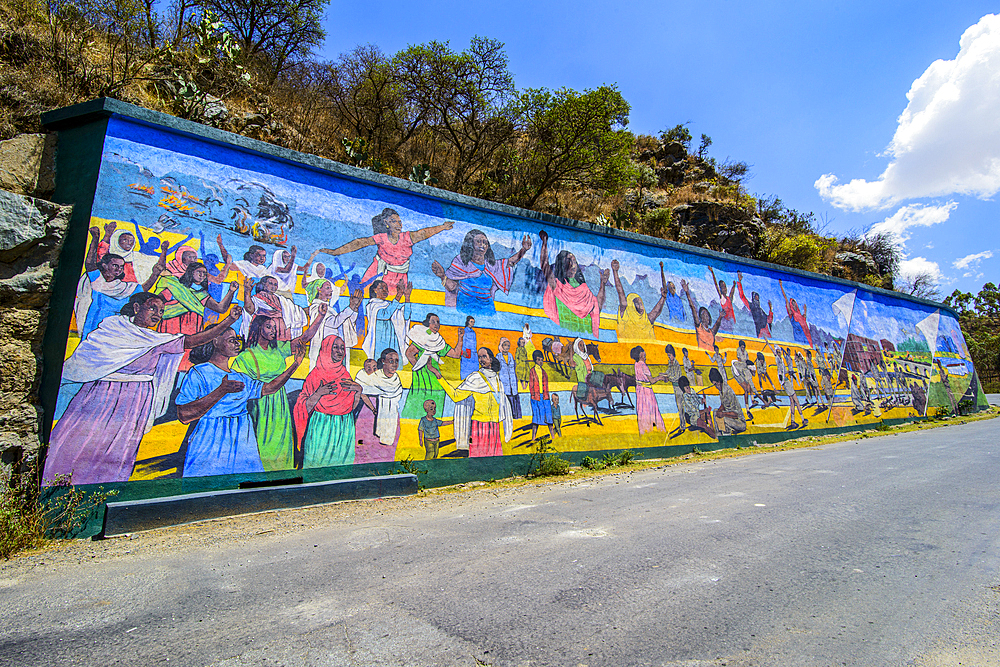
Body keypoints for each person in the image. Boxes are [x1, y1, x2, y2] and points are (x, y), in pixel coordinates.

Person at [42, 295, 240, 485]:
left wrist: (228, 321)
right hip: (101, 395)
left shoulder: (156, 340)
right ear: (137, 308)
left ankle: (104, 488)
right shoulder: (113, 327)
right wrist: (228, 320)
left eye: (161, 311)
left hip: (135, 401)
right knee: (81, 439)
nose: (157, 314)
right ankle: (60, 483)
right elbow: (90, 356)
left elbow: (193, 341)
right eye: (152, 308)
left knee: (119, 447)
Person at [177, 326, 305, 477]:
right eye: (232, 340)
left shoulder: (240, 377)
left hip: (243, 439)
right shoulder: (198, 372)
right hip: (210, 440)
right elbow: (184, 415)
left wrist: (295, 365)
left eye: (238, 340)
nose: (237, 344)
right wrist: (221, 391)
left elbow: (269, 388)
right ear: (216, 341)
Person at [231, 307, 325, 471]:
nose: (273, 330)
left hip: (279, 405)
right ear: (258, 328)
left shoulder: (279, 349)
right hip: (259, 406)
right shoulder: (246, 356)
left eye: (274, 327)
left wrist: (320, 316)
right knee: (261, 443)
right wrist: (295, 364)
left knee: (281, 441)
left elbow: (304, 338)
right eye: (269, 327)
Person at [319, 208, 454, 297]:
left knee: (394, 303)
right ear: (386, 223)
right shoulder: (382, 238)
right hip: (378, 272)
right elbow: (360, 243)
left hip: (399, 277)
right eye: (393, 221)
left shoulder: (406, 238)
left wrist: (442, 227)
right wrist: (335, 252)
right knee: (365, 298)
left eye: (400, 222)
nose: (398, 224)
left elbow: (423, 233)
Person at [293, 336, 365, 468]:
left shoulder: (345, 374)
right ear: (326, 349)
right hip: (322, 427)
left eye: (342, 348)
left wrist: (358, 392)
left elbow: (350, 407)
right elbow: (304, 407)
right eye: (335, 347)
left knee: (341, 467)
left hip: (344, 427)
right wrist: (319, 393)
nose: (340, 351)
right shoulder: (315, 375)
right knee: (318, 465)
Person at [432, 347, 513, 457]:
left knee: (494, 459)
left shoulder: (497, 379)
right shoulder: (475, 377)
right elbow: (456, 396)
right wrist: (439, 376)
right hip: (479, 426)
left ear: (491, 359)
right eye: (479, 357)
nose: (481, 360)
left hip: (494, 426)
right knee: (478, 457)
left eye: (484, 356)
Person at [75, 242, 161, 341]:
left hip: (116, 328)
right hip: (95, 324)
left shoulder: (124, 288)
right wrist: (95, 239)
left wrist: (155, 274)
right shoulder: (98, 282)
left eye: (121, 266)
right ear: (105, 265)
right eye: (115, 265)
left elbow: (143, 289)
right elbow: (90, 264)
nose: (119, 269)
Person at [432, 230, 531, 312]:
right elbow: (452, 287)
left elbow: (510, 262)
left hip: (487, 310)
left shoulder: (491, 266)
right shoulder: (460, 262)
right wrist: (442, 276)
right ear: (470, 244)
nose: (482, 245)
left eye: (485, 242)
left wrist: (524, 250)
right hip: (465, 310)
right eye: (478, 241)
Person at [539, 230, 609, 337]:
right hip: (565, 334)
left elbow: (596, 306)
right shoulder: (557, 285)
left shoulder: (583, 288)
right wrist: (544, 243)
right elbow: (545, 266)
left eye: (574, 261)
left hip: (586, 336)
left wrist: (603, 284)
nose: (572, 265)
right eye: (569, 261)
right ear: (562, 264)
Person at [400, 313, 464, 419]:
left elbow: (456, 354)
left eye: (438, 322)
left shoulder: (438, 341)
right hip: (421, 376)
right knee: (418, 398)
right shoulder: (422, 338)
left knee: (437, 397)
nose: (436, 324)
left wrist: (460, 338)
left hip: (435, 376)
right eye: (433, 322)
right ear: (427, 323)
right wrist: (419, 367)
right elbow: (409, 353)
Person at [154, 262, 239, 335]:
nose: (202, 275)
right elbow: (157, 302)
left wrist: (231, 291)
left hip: (193, 327)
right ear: (191, 272)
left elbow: (220, 308)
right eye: (199, 272)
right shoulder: (176, 287)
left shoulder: (202, 294)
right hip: (172, 324)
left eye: (204, 273)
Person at [354, 348, 405, 463]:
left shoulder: (396, 380)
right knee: (367, 449)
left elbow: (397, 398)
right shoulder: (373, 378)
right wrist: (372, 408)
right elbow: (362, 390)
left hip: (391, 419)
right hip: (371, 417)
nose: (394, 364)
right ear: (383, 361)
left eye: (396, 361)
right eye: (391, 361)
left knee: (387, 453)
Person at [305, 279, 362, 372]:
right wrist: (350, 307)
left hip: (335, 349)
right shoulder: (316, 307)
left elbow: (345, 323)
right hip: (325, 350)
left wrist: (354, 309)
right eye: (328, 288)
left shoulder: (330, 309)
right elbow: (333, 323)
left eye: (331, 288)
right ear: (318, 289)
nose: (331, 291)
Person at [610, 259, 669, 342]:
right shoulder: (626, 315)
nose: (640, 306)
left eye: (641, 303)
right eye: (637, 304)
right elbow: (620, 293)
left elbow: (657, 311)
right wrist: (615, 272)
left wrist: (663, 297)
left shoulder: (646, 320)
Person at [242, 275, 307, 341]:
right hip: (266, 331)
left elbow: (296, 311)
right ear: (263, 284)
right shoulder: (257, 298)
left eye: (275, 284)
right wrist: (247, 292)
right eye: (270, 283)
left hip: (282, 331)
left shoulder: (282, 299)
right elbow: (250, 310)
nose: (273, 286)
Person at [361, 279, 411, 365]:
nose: (385, 290)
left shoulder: (389, 305)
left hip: (392, 339)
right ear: (375, 290)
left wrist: (407, 297)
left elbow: (406, 316)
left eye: (386, 288)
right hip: (380, 340)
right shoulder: (372, 305)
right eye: (381, 288)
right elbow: (385, 314)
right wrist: (398, 295)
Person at [632, 346, 666, 434]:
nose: (645, 357)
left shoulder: (636, 365)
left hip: (640, 390)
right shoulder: (643, 365)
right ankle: (657, 429)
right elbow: (652, 380)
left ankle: (644, 430)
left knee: (642, 410)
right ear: (640, 355)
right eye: (644, 355)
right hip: (646, 391)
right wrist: (661, 377)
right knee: (651, 409)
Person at [682, 279, 723, 351]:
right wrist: (687, 292)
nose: (705, 317)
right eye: (703, 315)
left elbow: (717, 324)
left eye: (707, 315)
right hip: (702, 356)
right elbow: (693, 308)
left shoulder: (711, 332)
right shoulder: (699, 327)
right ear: (700, 318)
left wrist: (720, 316)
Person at [710, 367, 747, 436]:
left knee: (722, 419)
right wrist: (719, 411)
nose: (715, 386)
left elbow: (735, 414)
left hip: (739, 422)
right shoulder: (721, 391)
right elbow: (724, 405)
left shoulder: (728, 391)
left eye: (715, 384)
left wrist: (723, 414)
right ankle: (719, 436)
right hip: (730, 418)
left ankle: (726, 438)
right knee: (715, 412)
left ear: (719, 381)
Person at [736, 271, 773, 338]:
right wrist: (739, 282)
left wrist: (770, 309)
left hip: (767, 332)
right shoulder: (752, 307)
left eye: (758, 299)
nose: (757, 301)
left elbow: (769, 320)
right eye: (756, 299)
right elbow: (742, 296)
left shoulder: (761, 310)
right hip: (760, 333)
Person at [779, 279, 813, 347]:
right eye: (792, 304)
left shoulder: (800, 315)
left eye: (794, 304)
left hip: (805, 335)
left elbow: (804, 320)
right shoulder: (792, 314)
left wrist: (805, 311)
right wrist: (781, 286)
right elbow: (786, 299)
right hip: (798, 336)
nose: (794, 305)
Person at [528, 350, 553, 440]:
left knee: (549, 417)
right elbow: (531, 386)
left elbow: (546, 385)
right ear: (535, 360)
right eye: (539, 360)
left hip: (545, 397)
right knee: (536, 418)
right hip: (536, 398)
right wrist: (534, 396)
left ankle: (553, 436)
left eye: (541, 360)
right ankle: (533, 437)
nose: (540, 362)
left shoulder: (544, 372)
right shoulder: (532, 371)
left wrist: (547, 396)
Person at [497, 337, 522, 420]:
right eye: (505, 345)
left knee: (514, 398)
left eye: (508, 345)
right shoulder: (498, 356)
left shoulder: (510, 355)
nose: (507, 347)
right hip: (504, 381)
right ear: (501, 346)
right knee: (506, 399)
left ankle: (515, 416)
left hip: (512, 381)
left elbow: (513, 367)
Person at [708, 266, 737, 332]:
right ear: (720, 289)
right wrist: (712, 272)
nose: (725, 289)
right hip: (725, 323)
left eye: (725, 287)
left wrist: (734, 286)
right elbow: (716, 285)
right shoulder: (722, 298)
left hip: (731, 323)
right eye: (723, 287)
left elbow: (732, 293)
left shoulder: (729, 299)